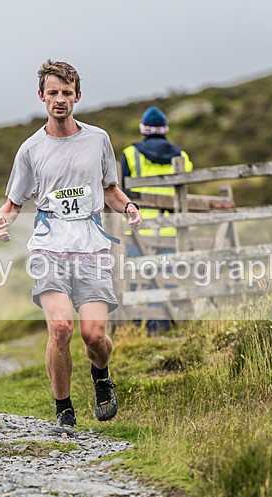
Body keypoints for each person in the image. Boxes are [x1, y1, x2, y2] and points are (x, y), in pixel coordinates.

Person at [0, 60, 142, 435]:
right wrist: (1, 221)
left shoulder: (98, 139)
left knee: (94, 336)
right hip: (48, 246)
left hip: (90, 246)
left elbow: (109, 189)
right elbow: (14, 200)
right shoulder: (30, 149)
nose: (60, 100)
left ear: (78, 95)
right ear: (41, 96)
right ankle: (64, 410)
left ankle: (101, 374)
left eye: (67, 93)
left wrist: (128, 206)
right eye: (53, 93)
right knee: (60, 328)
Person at [120, 106, 193, 334]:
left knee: (137, 279)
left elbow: (119, 188)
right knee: (167, 277)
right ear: (165, 129)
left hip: (138, 230)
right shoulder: (181, 156)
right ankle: (163, 325)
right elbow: (187, 182)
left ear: (143, 129)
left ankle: (139, 327)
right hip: (171, 229)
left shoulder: (130, 154)